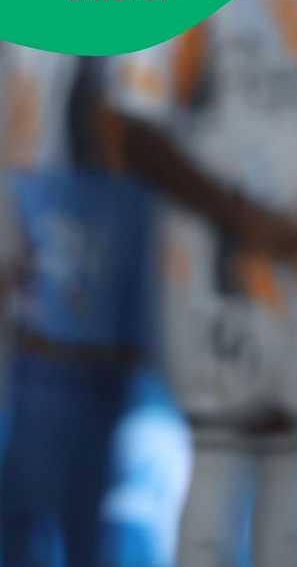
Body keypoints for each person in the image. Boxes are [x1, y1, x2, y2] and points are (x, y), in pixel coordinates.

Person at [106, 0, 297, 567]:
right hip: (217, 272)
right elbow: (133, 133)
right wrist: (241, 217)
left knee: (290, 449)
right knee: (218, 451)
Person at [0, 49, 156, 566]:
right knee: (20, 522)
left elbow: (140, 310)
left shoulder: (135, 205)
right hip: (38, 375)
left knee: (86, 527)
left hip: (98, 385)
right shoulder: (29, 190)